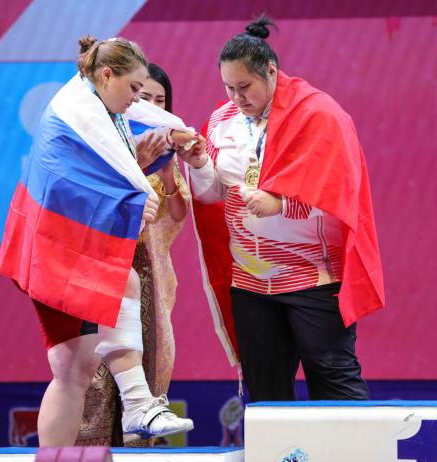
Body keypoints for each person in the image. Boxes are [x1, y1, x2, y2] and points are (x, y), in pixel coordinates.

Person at [0, 35, 196, 447]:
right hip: (50, 248)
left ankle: (99, 431)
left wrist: (170, 143)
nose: (137, 100)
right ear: (106, 75)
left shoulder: (103, 113)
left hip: (62, 248)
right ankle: (139, 404)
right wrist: (138, 191)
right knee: (122, 291)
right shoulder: (75, 117)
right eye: (134, 90)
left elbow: (115, 166)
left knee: (74, 369)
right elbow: (75, 186)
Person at [179, 16, 385, 402]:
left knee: (335, 383)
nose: (237, 98)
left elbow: (340, 193)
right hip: (251, 283)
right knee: (265, 397)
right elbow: (212, 197)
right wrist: (199, 164)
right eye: (228, 88)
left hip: (313, 279)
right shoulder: (221, 120)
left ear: (271, 71)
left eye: (245, 86)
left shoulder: (318, 114)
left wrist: (281, 203)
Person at [77, 63, 192, 447]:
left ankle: (140, 440)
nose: (152, 106)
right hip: (106, 265)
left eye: (161, 101)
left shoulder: (166, 148)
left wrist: (171, 168)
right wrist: (139, 163)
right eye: (144, 97)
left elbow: (176, 215)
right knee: (88, 373)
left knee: (151, 363)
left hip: (153, 275)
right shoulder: (107, 142)